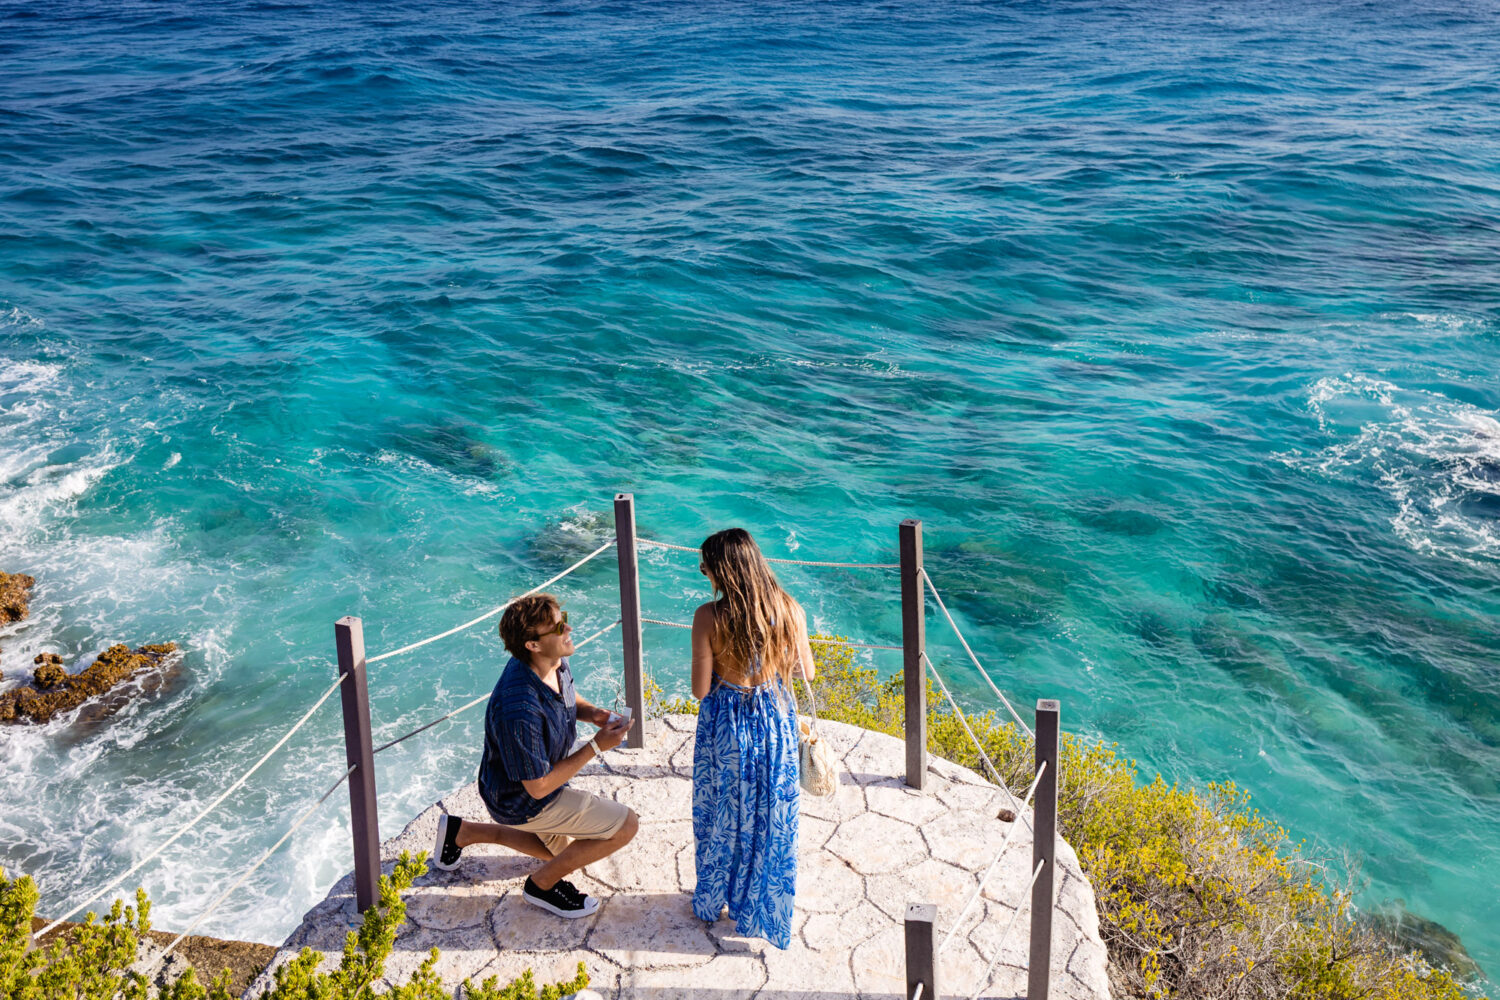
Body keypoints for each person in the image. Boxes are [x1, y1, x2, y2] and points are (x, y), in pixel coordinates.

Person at [431, 593, 637, 918]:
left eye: (562, 619)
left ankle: (463, 832)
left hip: (533, 785)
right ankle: (541, 887)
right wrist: (596, 746)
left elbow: (566, 696)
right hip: (521, 798)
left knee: (560, 853)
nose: (568, 628)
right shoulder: (520, 707)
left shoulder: (552, 660)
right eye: (557, 627)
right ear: (533, 645)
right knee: (625, 826)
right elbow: (538, 787)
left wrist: (593, 713)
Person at [690, 528, 816, 949]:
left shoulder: (708, 617)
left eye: (706, 566)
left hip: (727, 726)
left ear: (723, 571)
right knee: (770, 817)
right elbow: (806, 671)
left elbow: (700, 689)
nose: (704, 573)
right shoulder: (790, 609)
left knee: (723, 815)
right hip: (774, 721)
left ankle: (715, 898)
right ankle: (759, 908)